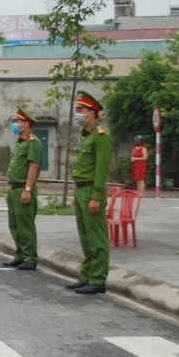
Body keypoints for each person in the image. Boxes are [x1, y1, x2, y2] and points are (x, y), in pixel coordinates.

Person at [65, 90, 113, 295]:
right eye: (77, 109)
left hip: (92, 191)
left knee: (96, 238)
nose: (77, 113)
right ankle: (87, 275)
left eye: (80, 110)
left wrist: (96, 197)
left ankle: (98, 279)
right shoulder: (85, 136)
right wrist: (76, 195)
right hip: (81, 190)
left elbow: (101, 171)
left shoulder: (101, 136)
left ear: (92, 112)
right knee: (85, 237)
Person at [1, 106, 43, 270]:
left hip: (24, 189)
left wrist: (27, 189)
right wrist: (10, 190)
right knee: (15, 224)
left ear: (26, 124)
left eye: (17, 121)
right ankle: (20, 254)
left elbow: (33, 167)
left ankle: (30, 257)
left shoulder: (33, 142)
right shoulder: (20, 143)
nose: (15, 124)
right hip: (15, 188)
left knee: (25, 225)